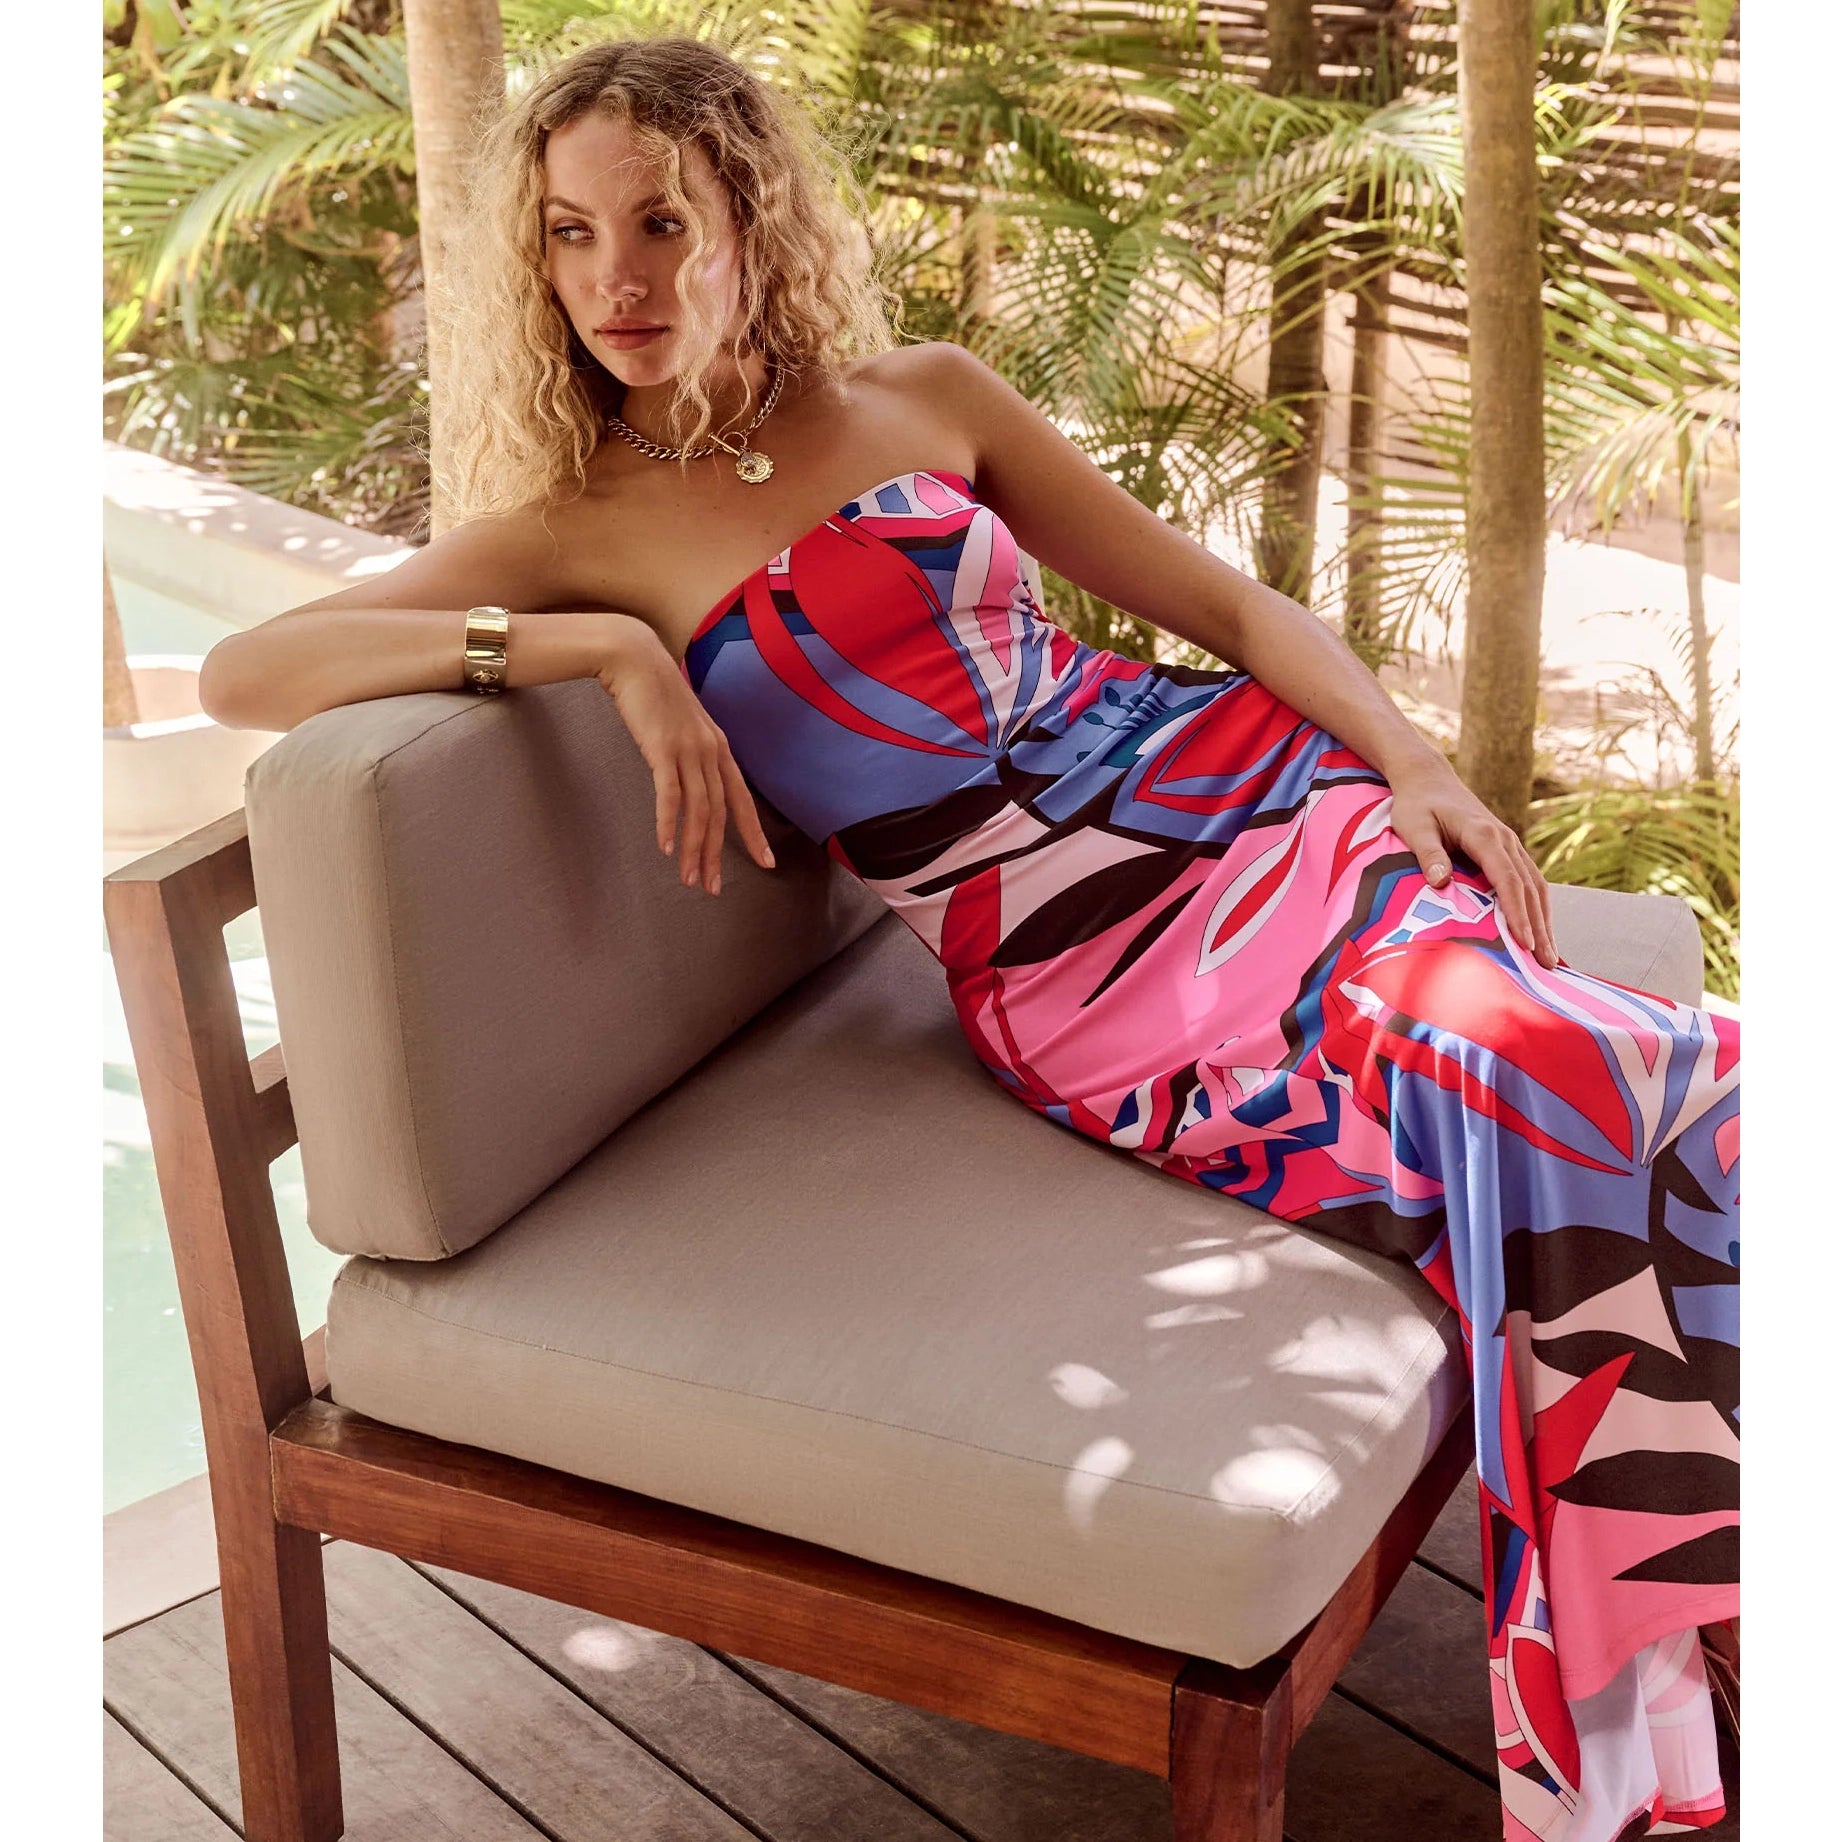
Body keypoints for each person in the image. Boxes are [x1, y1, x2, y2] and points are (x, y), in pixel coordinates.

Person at [198, 33, 1739, 1841]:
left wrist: (1413, 762)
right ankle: (1668, 1711)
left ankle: (1702, 1648)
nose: (619, 277)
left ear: (747, 222)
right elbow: (249, 669)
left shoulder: (924, 398)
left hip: (1258, 800)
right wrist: (594, 646)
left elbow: (1227, 608)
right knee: (1567, 1083)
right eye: (571, 232)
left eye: (663, 222)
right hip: (1093, 973)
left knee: (1621, 1083)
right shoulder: (578, 533)